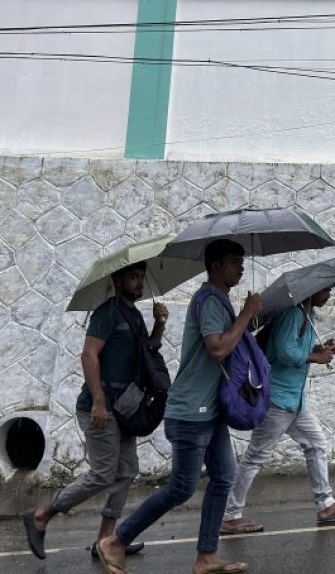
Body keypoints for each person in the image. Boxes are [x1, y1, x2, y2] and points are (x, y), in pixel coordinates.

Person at [96, 239, 261, 574]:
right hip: (191, 411)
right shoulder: (209, 300)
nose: (240, 267)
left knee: (224, 477)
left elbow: (230, 346)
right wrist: (246, 314)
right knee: (182, 487)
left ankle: (206, 557)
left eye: (242, 261)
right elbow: (217, 349)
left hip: (210, 409)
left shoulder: (220, 301)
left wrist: (248, 318)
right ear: (215, 266)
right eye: (233, 261)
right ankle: (115, 541)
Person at [22, 261, 167, 561]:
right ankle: (41, 515)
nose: (139, 282)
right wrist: (99, 402)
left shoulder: (135, 315)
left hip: (125, 409)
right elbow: (89, 355)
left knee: (126, 471)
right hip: (99, 408)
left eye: (141, 277)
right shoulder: (107, 313)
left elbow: (146, 350)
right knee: (103, 473)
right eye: (132, 277)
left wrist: (160, 323)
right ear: (117, 280)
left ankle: (106, 540)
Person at [221, 286, 335, 534]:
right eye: (326, 290)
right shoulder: (293, 315)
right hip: (278, 398)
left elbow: (295, 348)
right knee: (256, 457)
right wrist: (315, 358)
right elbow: (284, 352)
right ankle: (231, 514)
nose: (329, 294)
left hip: (295, 400)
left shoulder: (308, 315)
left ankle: (326, 504)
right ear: (312, 290)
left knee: (316, 443)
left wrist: (318, 349)